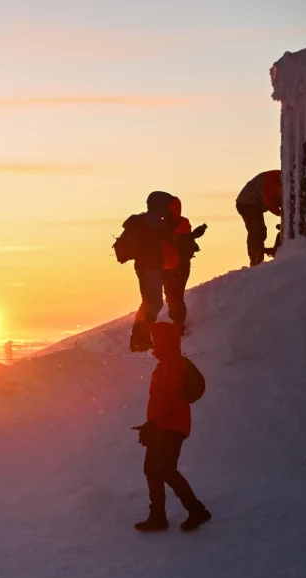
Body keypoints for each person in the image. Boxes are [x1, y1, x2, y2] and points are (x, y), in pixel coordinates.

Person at [132, 322, 210, 533]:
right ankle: (163, 515)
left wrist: (152, 423)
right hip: (167, 425)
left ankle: (189, 511)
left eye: (155, 339)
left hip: (169, 426)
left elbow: (165, 396)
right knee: (157, 470)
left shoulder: (171, 363)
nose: (153, 343)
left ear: (164, 340)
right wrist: (151, 424)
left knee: (162, 469)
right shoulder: (169, 362)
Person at [115, 191, 179, 351]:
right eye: (166, 206)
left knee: (148, 302)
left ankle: (139, 338)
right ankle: (140, 338)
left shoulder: (144, 220)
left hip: (144, 266)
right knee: (155, 303)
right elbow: (168, 237)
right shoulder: (154, 221)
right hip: (150, 267)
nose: (168, 209)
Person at [162, 197, 207, 334]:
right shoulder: (183, 223)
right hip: (180, 266)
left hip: (166, 266)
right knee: (176, 295)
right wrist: (193, 236)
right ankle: (178, 323)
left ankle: (177, 322)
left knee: (171, 295)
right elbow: (186, 240)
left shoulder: (161, 224)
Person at [236, 170, 283, 266]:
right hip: (247, 203)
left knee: (259, 231)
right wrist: (280, 213)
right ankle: (255, 260)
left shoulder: (281, 180)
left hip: (253, 204)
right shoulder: (273, 178)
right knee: (257, 231)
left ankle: (257, 257)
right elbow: (269, 200)